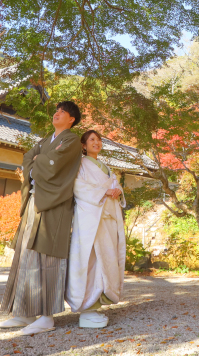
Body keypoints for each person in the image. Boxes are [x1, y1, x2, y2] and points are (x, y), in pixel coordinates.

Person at [0, 101, 83, 334]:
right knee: (27, 254)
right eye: (56, 111)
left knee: (48, 256)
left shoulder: (71, 140)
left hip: (54, 204)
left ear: (71, 119)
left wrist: (37, 162)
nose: (56, 114)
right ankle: (25, 313)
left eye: (62, 112)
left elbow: (53, 165)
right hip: (35, 202)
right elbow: (27, 159)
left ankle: (47, 316)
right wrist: (36, 162)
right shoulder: (46, 140)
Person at [67, 130, 126, 328]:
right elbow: (77, 186)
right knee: (91, 260)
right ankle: (87, 309)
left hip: (107, 218)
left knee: (106, 260)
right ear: (83, 145)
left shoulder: (106, 167)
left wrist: (118, 190)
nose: (97, 142)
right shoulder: (81, 164)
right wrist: (105, 191)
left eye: (99, 140)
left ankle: (98, 304)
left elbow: (115, 184)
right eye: (92, 139)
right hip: (91, 218)